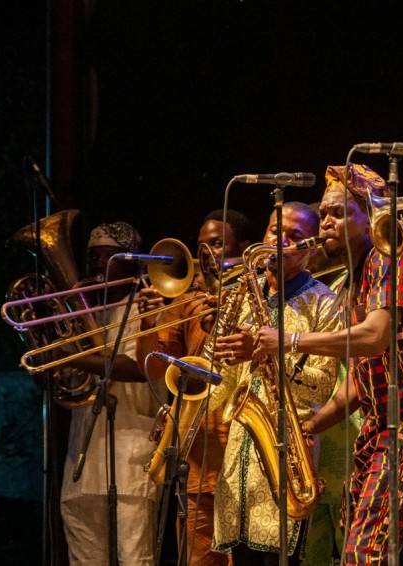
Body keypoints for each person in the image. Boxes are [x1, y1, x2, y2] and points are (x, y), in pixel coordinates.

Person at [257, 164, 403, 564]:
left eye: (339, 213)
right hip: (382, 428)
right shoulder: (356, 277)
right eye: (324, 214)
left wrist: (289, 340)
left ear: (371, 221)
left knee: (365, 550)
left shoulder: (389, 258)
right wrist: (310, 427)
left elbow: (374, 336)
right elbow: (361, 378)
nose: (326, 222)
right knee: (357, 541)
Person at [207, 201, 341, 565]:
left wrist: (265, 353)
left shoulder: (325, 303)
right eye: (274, 231)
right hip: (238, 456)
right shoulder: (241, 296)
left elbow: (322, 386)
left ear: (311, 247)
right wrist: (202, 378)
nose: (279, 241)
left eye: (293, 235)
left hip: (289, 454)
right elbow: (220, 387)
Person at [135, 208, 255, 566]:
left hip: (245, 459)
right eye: (201, 246)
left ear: (244, 248)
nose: (206, 255)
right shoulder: (188, 302)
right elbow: (154, 367)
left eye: (217, 244)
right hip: (199, 459)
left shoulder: (261, 297)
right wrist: (148, 320)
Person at [60, 220, 166, 565]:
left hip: (130, 460)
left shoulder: (148, 311)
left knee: (135, 558)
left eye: (108, 256)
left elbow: (137, 368)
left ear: (132, 262)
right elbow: (69, 383)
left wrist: (68, 356)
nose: (97, 264)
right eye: (93, 256)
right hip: (81, 464)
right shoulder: (85, 315)